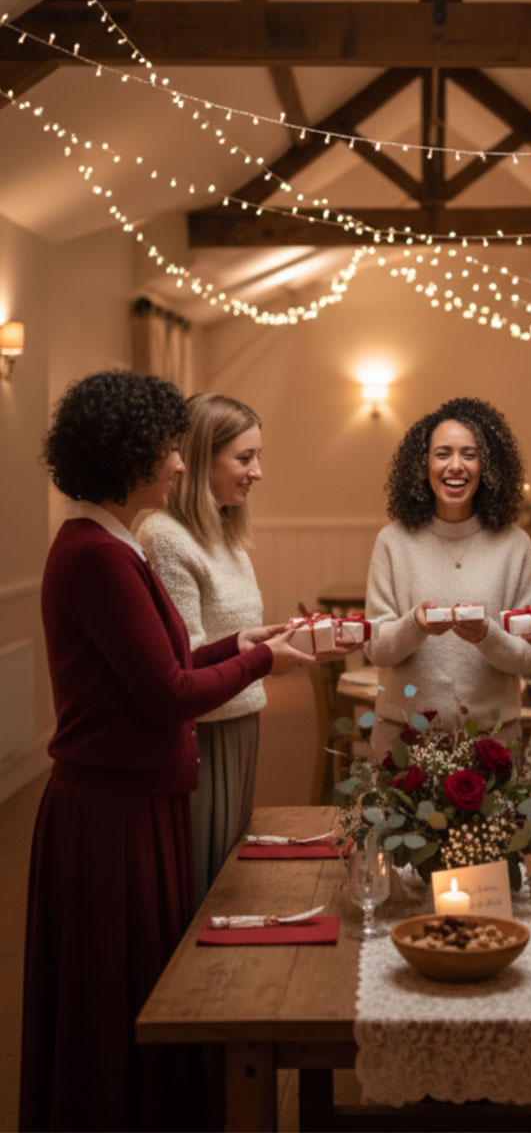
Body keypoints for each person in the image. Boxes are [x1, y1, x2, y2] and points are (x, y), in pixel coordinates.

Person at [20, 370, 315, 1133]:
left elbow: (165, 662)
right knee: (118, 990)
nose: (180, 464)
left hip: (128, 797)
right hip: (110, 813)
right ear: (129, 457)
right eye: (169, 451)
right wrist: (262, 663)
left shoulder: (105, 542)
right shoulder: (99, 556)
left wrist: (240, 641)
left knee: (136, 979)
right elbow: (170, 695)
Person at [136, 394, 301, 904]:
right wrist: (265, 660)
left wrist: (273, 641)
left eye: (258, 457)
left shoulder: (225, 532)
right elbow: (184, 657)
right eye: (244, 458)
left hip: (241, 720)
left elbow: (232, 635)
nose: (258, 472)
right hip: (201, 734)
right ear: (201, 458)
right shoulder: (165, 538)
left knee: (229, 869)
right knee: (204, 878)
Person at [365, 397, 531, 759]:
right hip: (405, 736)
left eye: (470, 454)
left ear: (489, 466)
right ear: (423, 464)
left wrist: (486, 635)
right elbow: (375, 648)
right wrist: (414, 624)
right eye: (442, 453)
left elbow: (529, 658)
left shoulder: (515, 545)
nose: (456, 466)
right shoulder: (392, 542)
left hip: (493, 738)